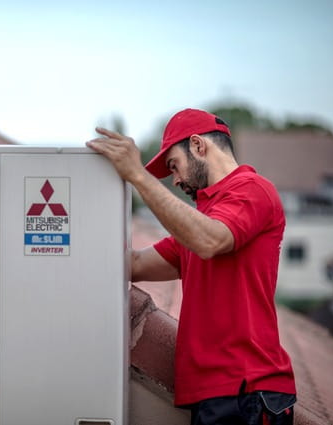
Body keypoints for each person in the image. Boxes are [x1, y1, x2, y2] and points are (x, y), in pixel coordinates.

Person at [86, 108, 297, 425]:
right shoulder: (204, 218)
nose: (177, 179)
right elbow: (136, 263)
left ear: (198, 146)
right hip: (219, 395)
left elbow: (210, 240)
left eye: (175, 165)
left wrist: (138, 176)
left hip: (247, 392)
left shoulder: (253, 190)